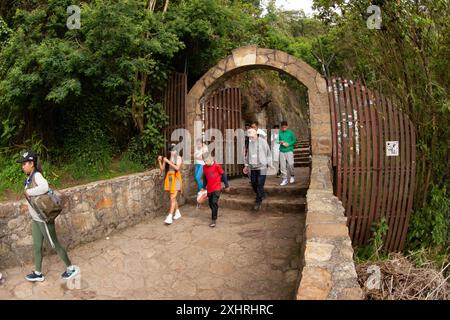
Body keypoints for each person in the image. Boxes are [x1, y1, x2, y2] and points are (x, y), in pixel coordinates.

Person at [17, 150, 79, 282]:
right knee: (37, 245)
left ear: (31, 163)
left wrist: (29, 191)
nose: (22, 166)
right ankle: (38, 273)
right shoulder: (30, 177)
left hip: (43, 219)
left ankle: (71, 268)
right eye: (22, 164)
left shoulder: (37, 175)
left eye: (24, 164)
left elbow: (44, 187)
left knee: (54, 243)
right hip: (36, 219)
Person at [244, 128, 272, 211]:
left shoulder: (263, 142)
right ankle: (262, 194)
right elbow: (248, 155)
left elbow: (268, 153)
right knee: (253, 183)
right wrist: (246, 165)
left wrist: (269, 164)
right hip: (253, 167)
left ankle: (258, 201)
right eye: (249, 137)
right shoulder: (250, 143)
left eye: (252, 137)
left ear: (256, 135)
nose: (251, 138)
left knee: (260, 184)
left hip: (262, 167)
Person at [201, 152, 230, 227]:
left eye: (207, 161)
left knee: (214, 202)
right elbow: (205, 178)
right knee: (210, 204)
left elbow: (223, 175)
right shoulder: (204, 167)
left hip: (216, 188)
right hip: (209, 189)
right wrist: (204, 187)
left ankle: (213, 219)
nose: (206, 163)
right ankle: (215, 210)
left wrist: (226, 185)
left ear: (211, 158)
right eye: (204, 161)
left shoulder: (217, 166)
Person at [158, 144, 183, 225]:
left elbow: (177, 168)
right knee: (173, 197)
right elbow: (162, 169)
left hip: (176, 179)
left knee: (172, 197)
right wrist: (160, 161)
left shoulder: (179, 158)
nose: (173, 152)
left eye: (175, 150)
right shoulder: (168, 158)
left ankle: (170, 216)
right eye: (172, 150)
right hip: (169, 180)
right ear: (170, 151)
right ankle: (178, 212)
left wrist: (168, 161)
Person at [278, 121, 297, 186]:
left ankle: (292, 176)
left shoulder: (290, 133)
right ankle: (284, 179)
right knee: (282, 166)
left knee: (290, 164)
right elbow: (277, 141)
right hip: (282, 150)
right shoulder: (280, 133)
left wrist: (289, 144)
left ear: (287, 126)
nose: (284, 129)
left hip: (289, 150)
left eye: (285, 127)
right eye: (282, 127)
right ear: (281, 127)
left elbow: (294, 140)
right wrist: (280, 142)